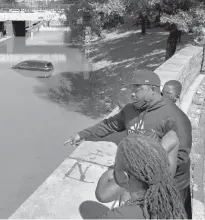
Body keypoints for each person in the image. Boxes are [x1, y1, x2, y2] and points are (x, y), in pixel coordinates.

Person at [64, 70, 192, 218]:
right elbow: (109, 125)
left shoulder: (175, 116)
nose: (132, 93)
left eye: (138, 88)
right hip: (136, 182)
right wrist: (82, 135)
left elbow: (181, 155)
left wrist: (147, 170)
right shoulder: (130, 110)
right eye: (132, 88)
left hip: (171, 184)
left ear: (153, 89)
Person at [97, 134, 187, 219]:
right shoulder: (170, 204)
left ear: (125, 177)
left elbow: (101, 195)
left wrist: (108, 173)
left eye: (116, 164)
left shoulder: (117, 216)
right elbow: (173, 138)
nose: (114, 167)